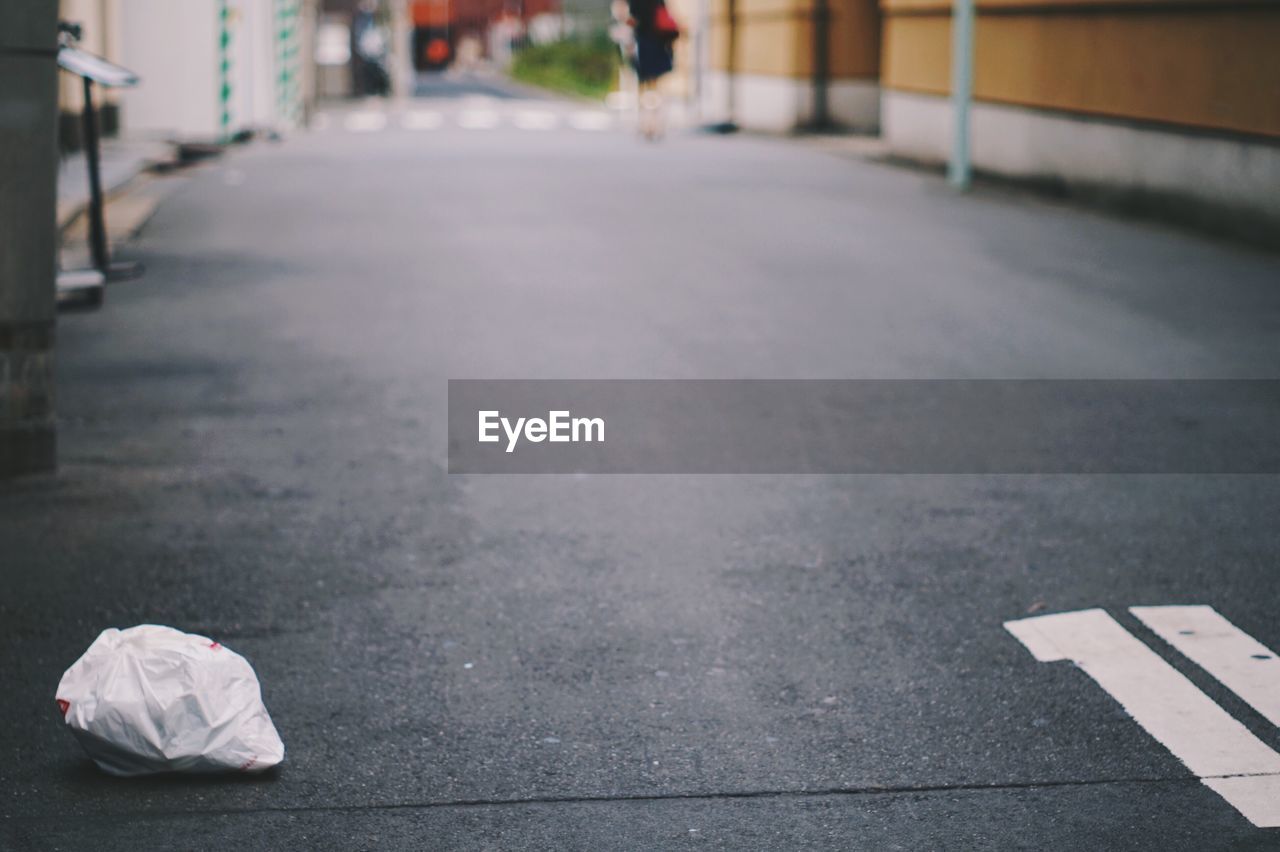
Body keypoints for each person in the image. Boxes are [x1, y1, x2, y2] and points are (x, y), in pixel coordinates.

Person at [627, 0, 678, 140]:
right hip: (660, 45)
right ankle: (657, 123)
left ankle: (645, 123)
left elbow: (630, 22)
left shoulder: (634, 3)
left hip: (643, 45)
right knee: (657, 87)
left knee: (643, 87)